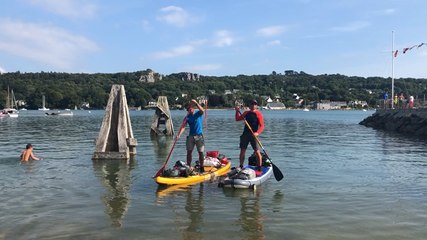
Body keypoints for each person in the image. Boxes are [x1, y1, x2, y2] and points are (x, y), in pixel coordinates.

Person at [235, 99, 264, 171]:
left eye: (255, 104)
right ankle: (241, 165)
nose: (253, 105)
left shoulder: (258, 114)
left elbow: (262, 126)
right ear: (249, 105)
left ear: (256, 105)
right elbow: (237, 119)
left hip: (254, 135)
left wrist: (257, 133)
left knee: (257, 151)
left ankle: (259, 167)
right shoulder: (246, 113)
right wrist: (237, 111)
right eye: (252, 104)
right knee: (242, 150)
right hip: (245, 134)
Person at [179, 99, 205, 173]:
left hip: (199, 136)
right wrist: (179, 135)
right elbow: (183, 127)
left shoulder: (198, 114)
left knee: (200, 152)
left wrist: (196, 103)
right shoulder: (187, 117)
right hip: (191, 136)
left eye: (190, 108)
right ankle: (189, 167)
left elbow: (202, 111)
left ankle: (202, 167)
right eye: (187, 109)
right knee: (189, 152)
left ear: (193, 108)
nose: (189, 110)